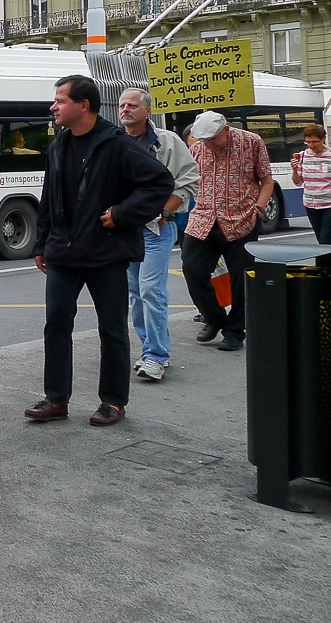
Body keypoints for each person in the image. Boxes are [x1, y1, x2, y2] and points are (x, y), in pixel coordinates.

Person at [25, 76, 173, 427]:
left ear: (84, 106)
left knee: (112, 329)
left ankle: (113, 401)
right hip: (63, 252)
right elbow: (50, 195)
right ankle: (56, 399)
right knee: (56, 326)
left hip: (106, 253)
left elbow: (160, 182)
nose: (53, 107)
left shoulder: (117, 144)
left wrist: (122, 214)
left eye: (60, 100)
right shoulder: (59, 144)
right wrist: (41, 241)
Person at [117, 89, 199, 382]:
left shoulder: (167, 141)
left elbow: (189, 178)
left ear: (147, 111)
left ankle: (156, 355)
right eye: (123, 105)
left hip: (156, 229)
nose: (126, 109)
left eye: (132, 105)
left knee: (151, 290)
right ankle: (149, 350)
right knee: (136, 294)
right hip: (125, 231)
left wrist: (166, 212)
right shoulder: (114, 142)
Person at [182, 110, 274, 352]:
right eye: (204, 140)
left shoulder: (251, 142)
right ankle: (214, 318)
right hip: (203, 219)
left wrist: (260, 207)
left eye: (213, 139)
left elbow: (267, 180)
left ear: (226, 129)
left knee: (240, 277)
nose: (209, 145)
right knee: (192, 269)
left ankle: (235, 331)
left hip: (241, 219)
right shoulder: (197, 148)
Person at [292, 124, 331, 244]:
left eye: (315, 142)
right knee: (320, 237)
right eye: (308, 142)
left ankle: (321, 263)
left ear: (323, 139)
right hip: (310, 203)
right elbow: (298, 182)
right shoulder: (303, 156)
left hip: (329, 204)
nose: (311, 145)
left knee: (325, 238)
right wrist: (294, 169)